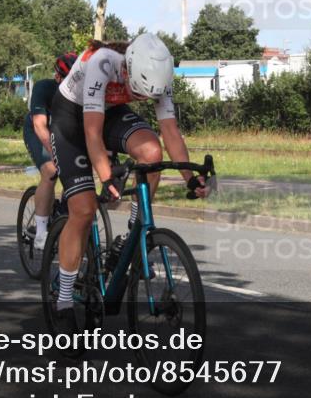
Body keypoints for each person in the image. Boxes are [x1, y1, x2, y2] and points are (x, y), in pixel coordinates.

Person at [48, 34, 210, 322]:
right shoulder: (103, 63)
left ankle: (135, 230)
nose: (146, 100)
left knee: (151, 152)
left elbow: (170, 132)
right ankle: (62, 301)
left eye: (150, 97)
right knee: (84, 210)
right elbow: (92, 134)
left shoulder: (161, 76)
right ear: (128, 70)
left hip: (109, 113)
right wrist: (107, 177)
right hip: (70, 118)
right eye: (141, 94)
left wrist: (189, 177)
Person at [23, 52, 76, 251]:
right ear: (58, 77)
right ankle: (42, 232)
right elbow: (39, 125)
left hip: (63, 133)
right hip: (39, 131)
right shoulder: (44, 88)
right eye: (69, 80)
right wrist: (56, 154)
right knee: (51, 170)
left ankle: (63, 210)